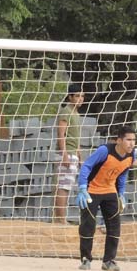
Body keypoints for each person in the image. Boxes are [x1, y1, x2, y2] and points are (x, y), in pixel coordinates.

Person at [76, 125, 136, 271]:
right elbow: (87, 166)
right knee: (88, 225)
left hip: (110, 191)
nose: (132, 143)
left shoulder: (131, 156)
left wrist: (121, 193)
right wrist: (82, 187)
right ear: (119, 140)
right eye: (128, 140)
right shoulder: (105, 151)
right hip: (92, 190)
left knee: (114, 225)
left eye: (134, 140)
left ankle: (109, 261)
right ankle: (86, 259)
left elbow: (123, 174)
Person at [53, 83, 84, 223]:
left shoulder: (76, 113)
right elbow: (61, 134)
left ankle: (60, 218)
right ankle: (60, 219)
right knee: (63, 187)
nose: (80, 98)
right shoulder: (66, 111)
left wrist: (80, 156)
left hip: (73, 154)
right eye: (77, 96)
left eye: (82, 96)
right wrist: (64, 155)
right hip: (66, 153)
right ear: (70, 97)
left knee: (67, 186)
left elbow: (76, 137)